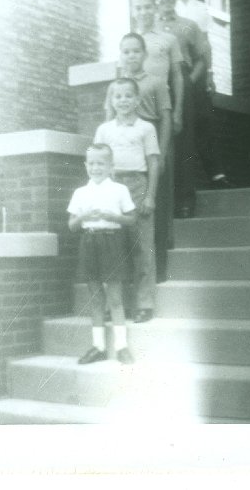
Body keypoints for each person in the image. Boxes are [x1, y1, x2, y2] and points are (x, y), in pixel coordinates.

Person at [105, 33, 173, 284]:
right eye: (126, 51)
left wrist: (162, 153)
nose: (131, 56)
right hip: (123, 147)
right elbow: (108, 118)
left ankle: (158, 273)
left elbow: (165, 118)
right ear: (120, 55)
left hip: (149, 146)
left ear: (144, 55)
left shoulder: (156, 81)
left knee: (150, 216)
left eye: (136, 51)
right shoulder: (115, 87)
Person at [95, 77, 161, 323]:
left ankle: (144, 303)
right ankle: (116, 305)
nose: (122, 100)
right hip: (112, 187)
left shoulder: (146, 128)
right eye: (117, 96)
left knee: (142, 246)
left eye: (127, 96)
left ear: (137, 100)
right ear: (111, 101)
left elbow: (153, 162)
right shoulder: (104, 130)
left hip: (137, 185)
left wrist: (150, 195)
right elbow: (98, 162)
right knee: (113, 247)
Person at [67, 144, 136, 365]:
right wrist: (84, 216)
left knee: (115, 298)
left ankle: (121, 346)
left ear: (110, 166)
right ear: (86, 165)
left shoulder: (119, 190)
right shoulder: (80, 193)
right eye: (92, 163)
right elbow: (71, 225)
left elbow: (132, 219)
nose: (96, 168)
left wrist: (114, 217)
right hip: (89, 242)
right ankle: (98, 347)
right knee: (96, 299)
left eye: (101, 163)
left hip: (112, 242)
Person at [170, 0, 231, 189]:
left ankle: (216, 174)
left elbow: (205, 46)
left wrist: (209, 73)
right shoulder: (167, 5)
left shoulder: (199, 8)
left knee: (203, 120)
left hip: (196, 70)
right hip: (175, 70)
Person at [153, 0, 205, 218]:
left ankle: (185, 200)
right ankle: (164, 201)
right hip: (157, 84)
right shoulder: (148, 25)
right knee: (158, 142)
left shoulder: (188, 25)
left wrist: (190, 82)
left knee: (184, 141)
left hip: (181, 82)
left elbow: (202, 59)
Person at [131, 0, 184, 135]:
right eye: (138, 8)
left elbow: (177, 77)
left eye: (147, 7)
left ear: (155, 8)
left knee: (163, 149)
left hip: (160, 102)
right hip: (133, 103)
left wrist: (178, 111)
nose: (143, 12)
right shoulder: (128, 41)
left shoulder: (168, 39)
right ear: (132, 11)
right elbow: (121, 75)